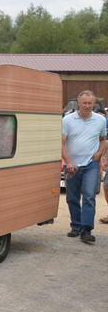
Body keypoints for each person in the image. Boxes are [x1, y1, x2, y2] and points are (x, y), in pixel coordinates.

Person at [62, 90, 106, 244]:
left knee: (89, 196)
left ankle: (86, 230)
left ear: (94, 104)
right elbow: (62, 143)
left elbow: (103, 140)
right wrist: (68, 162)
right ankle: (76, 226)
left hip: (91, 165)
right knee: (72, 198)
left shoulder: (100, 120)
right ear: (78, 103)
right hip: (72, 165)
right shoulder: (67, 120)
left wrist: (99, 154)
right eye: (84, 103)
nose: (87, 106)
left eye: (90, 103)